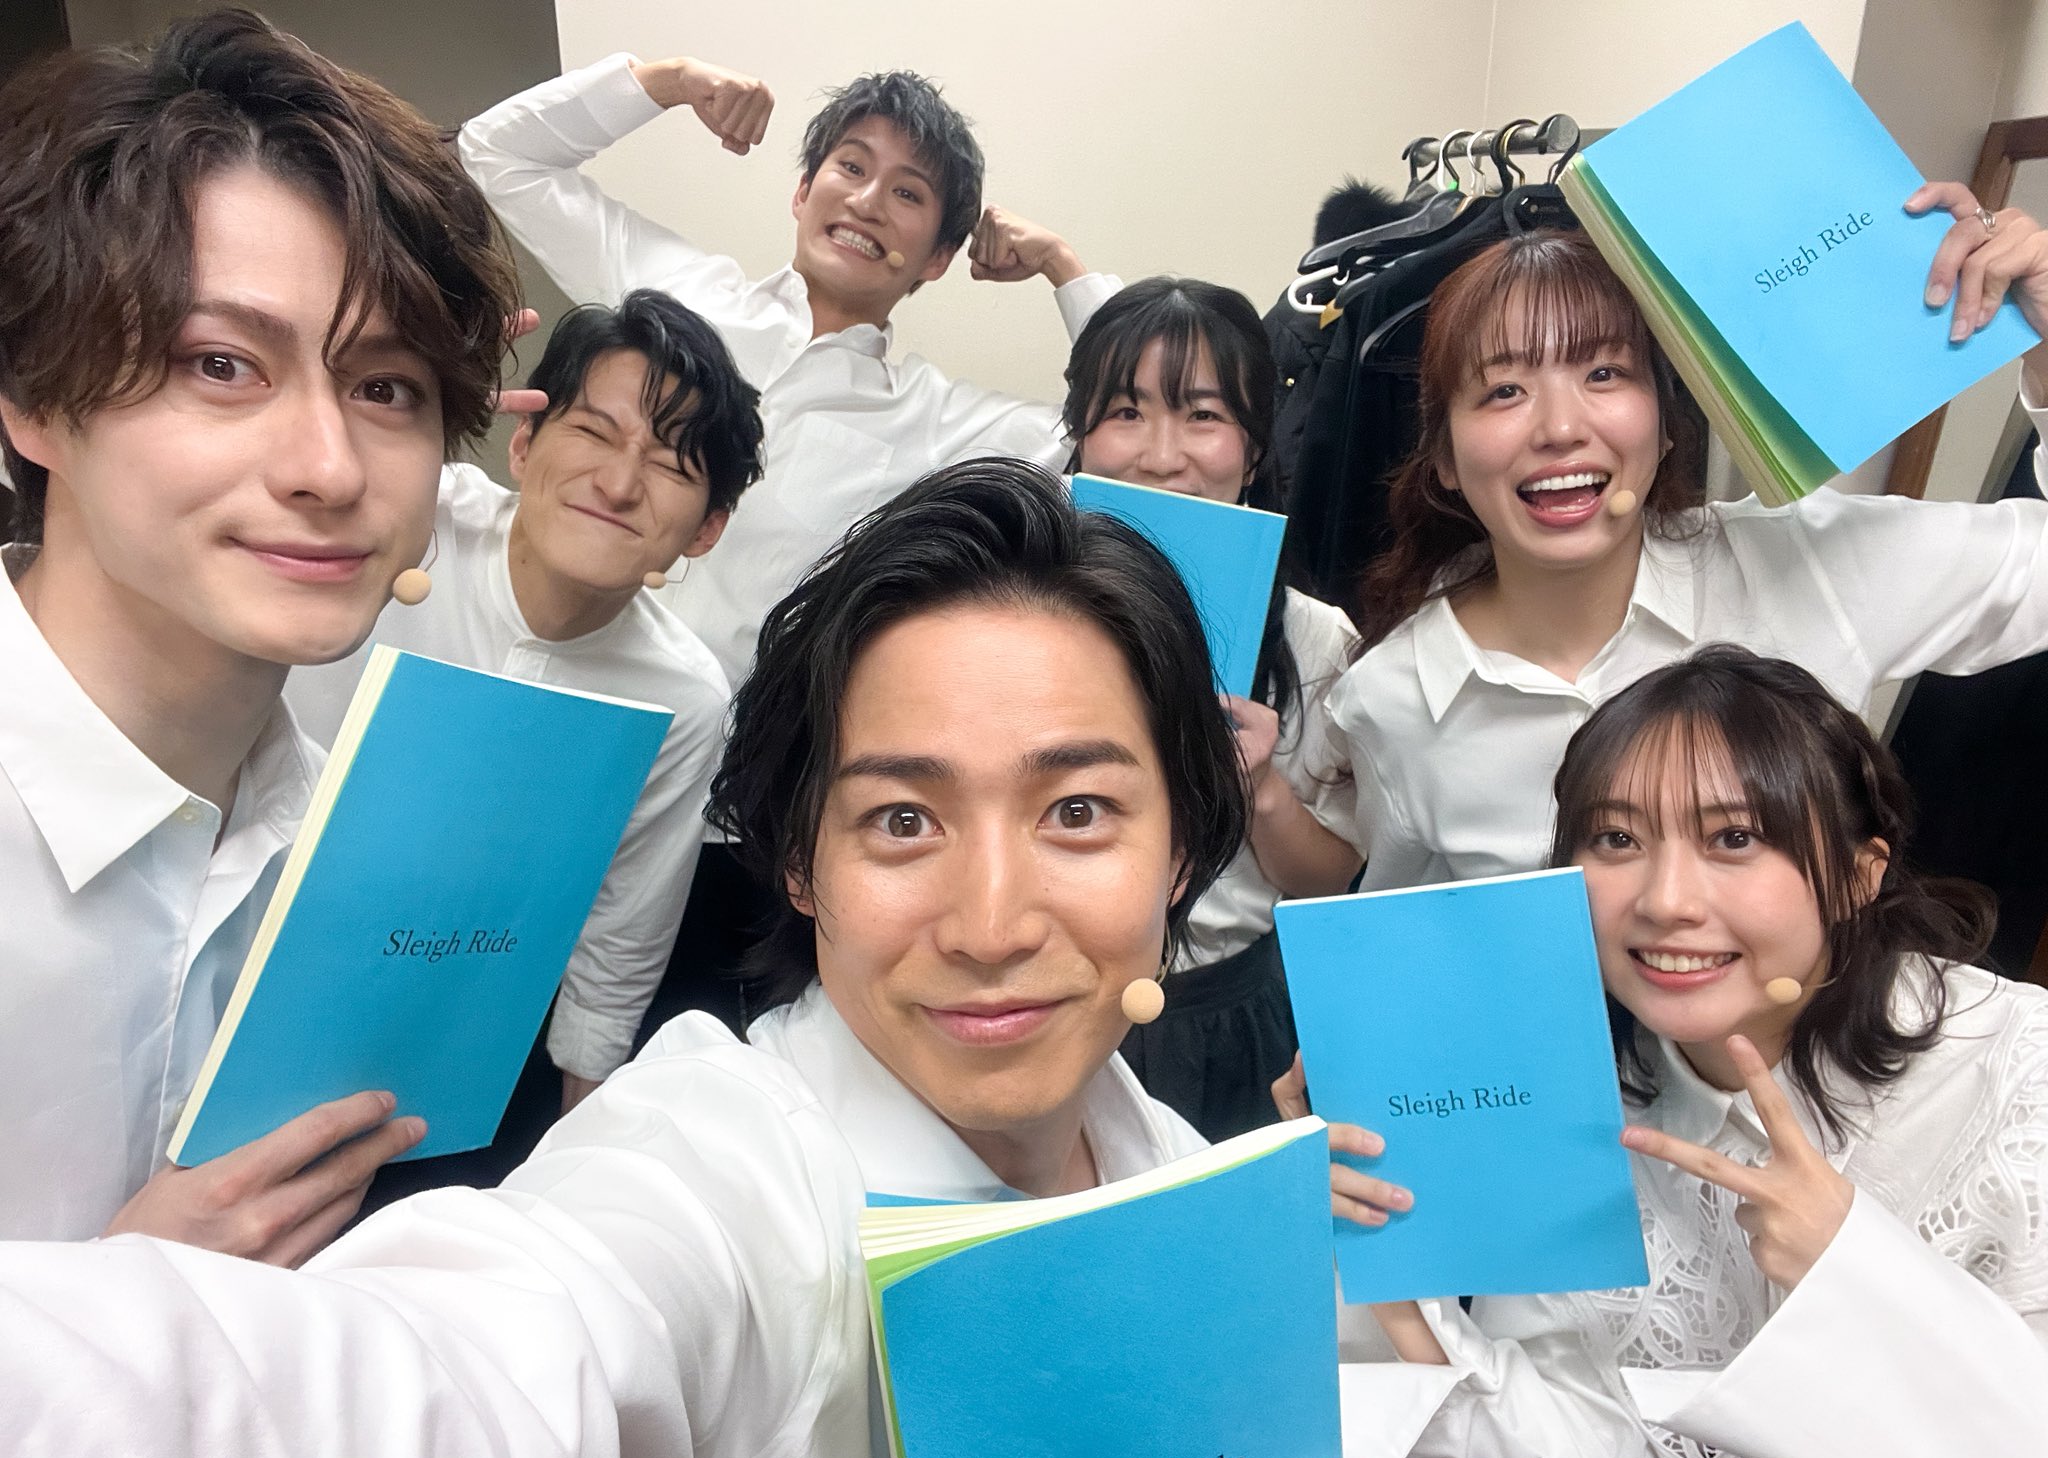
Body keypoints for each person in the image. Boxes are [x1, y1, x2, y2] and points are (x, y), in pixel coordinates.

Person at [0, 459, 1429, 1458]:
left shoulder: (1162, 1162)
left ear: (1181, 845)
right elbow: (427, 1390)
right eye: (901, 822)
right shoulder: (724, 1181)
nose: (993, 926)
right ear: (797, 861)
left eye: (1077, 813)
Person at [460, 46, 1118, 1032]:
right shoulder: (681, 296)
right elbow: (496, 153)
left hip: (723, 837)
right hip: (534, 764)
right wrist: (664, 82)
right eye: (850, 167)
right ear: (804, 189)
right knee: (470, 1045)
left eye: (908, 194)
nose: (868, 201)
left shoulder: (939, 423)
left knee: (659, 1076)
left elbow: (1125, 440)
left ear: (938, 257)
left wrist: (1064, 267)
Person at [0, 10, 521, 1252]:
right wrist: (129, 1302)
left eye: (385, 387)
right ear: (32, 400)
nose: (327, 467)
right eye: (222, 365)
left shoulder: (335, 843)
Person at [1364, 645, 2048, 1458]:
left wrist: (1854, 1270)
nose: (1666, 901)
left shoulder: (2015, 1072)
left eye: (1735, 838)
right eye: (1617, 839)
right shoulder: (1578, 1106)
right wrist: (1388, 1274)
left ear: (1859, 874)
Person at [1329, 191, 2048, 892]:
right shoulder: (1393, 701)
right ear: (1445, 458)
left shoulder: (1806, 565)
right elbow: (1422, 939)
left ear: (1668, 425)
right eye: (1504, 391)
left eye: (1603, 373)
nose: (1560, 428)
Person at [287, 291, 763, 1109]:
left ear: (706, 529)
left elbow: (622, 937)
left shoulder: (682, 699)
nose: (618, 483)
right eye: (594, 432)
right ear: (524, 442)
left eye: (669, 464)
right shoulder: (407, 515)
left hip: (423, 1036)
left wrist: (571, 1152)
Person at [1063, 276, 1364, 1139]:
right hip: (1058, 998)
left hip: (1234, 1018)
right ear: (1081, 438)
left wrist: (1262, 789)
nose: (1163, 456)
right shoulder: (1015, 616)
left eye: (1202, 415)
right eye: (1126, 412)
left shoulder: (1314, 638)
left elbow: (1329, 880)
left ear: (1253, 449)